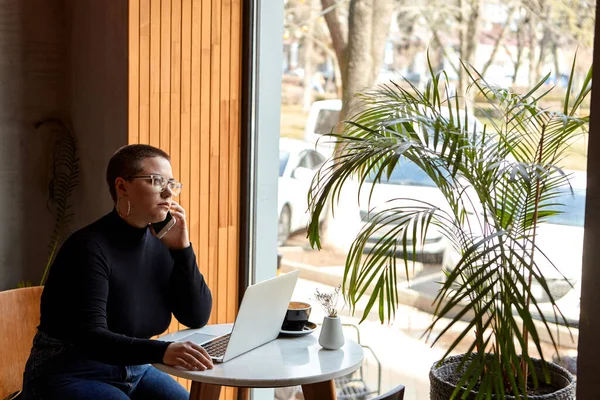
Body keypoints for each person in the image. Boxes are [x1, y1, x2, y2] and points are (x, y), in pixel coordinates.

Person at [21, 144, 213, 400]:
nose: (168, 193)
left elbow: (196, 315)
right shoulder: (88, 247)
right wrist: (162, 351)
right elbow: (92, 338)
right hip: (69, 370)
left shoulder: (162, 242)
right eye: (156, 181)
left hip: (136, 367)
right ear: (122, 187)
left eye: (171, 183)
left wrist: (182, 250)